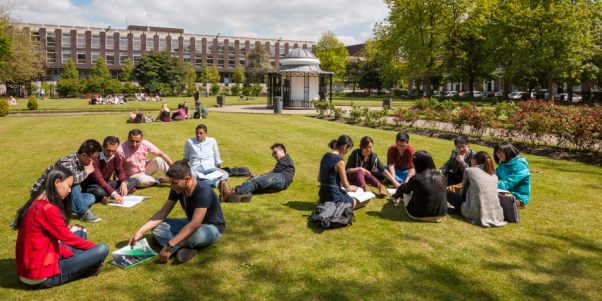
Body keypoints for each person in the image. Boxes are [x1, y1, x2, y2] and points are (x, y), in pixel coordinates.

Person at [14, 167, 110, 289]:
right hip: (42, 276)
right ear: (57, 182)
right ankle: (81, 269)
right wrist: (94, 249)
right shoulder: (48, 210)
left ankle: (81, 266)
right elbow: (69, 239)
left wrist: (70, 255)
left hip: (30, 270)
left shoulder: (34, 204)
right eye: (69, 186)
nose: (70, 191)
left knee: (80, 234)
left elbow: (47, 242)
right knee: (102, 249)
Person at [128, 161, 225, 264]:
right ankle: (180, 249)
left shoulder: (203, 191)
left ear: (187, 179)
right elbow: (162, 213)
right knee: (156, 226)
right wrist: (141, 231)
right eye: (170, 182)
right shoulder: (177, 189)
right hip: (191, 222)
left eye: (174, 182)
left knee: (191, 236)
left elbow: (196, 223)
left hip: (211, 228)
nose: (171, 186)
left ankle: (169, 241)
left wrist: (170, 244)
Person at [30, 140, 102, 223]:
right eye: (94, 158)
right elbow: (73, 179)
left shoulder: (81, 161)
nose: (95, 161)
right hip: (42, 194)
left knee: (90, 197)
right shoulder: (67, 162)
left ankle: (60, 209)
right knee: (72, 182)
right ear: (84, 155)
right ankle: (83, 212)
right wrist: (87, 172)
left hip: (60, 194)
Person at [446, 151, 507, 227]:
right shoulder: (494, 176)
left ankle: (458, 211)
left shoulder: (470, 171)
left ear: (474, 161)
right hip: (497, 216)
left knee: (449, 194)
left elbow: (463, 193)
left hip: (476, 214)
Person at [219, 143, 295, 203]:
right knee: (257, 187)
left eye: (274, 153)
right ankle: (245, 195)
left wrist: (267, 173)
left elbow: (277, 171)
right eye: (273, 154)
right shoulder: (287, 161)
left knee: (255, 181)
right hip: (281, 185)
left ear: (282, 151)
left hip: (280, 178)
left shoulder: (285, 158)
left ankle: (232, 192)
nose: (274, 155)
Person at [391, 150, 447, 222]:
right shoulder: (441, 176)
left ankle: (395, 198)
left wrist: (394, 196)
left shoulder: (416, 178)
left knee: (407, 191)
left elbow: (404, 189)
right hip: (440, 216)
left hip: (419, 215)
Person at [81, 136, 139, 205]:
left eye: (114, 151)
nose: (111, 153)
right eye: (108, 150)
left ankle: (106, 196)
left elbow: (120, 170)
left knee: (134, 181)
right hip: (92, 185)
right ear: (102, 147)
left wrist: (123, 182)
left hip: (106, 183)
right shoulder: (95, 158)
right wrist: (113, 193)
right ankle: (114, 194)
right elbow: (99, 179)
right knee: (99, 191)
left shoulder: (116, 155)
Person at [318, 135, 363, 209]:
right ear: (344, 147)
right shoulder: (339, 160)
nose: (347, 153)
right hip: (334, 198)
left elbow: (319, 179)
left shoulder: (325, 156)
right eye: (348, 150)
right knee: (365, 199)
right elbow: (346, 185)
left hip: (323, 197)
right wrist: (350, 187)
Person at [493, 141, 531, 208]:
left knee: (490, 196)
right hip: (506, 193)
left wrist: (488, 183)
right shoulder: (504, 163)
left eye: (501, 152)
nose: (498, 155)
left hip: (518, 198)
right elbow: (494, 175)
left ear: (508, 152)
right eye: (497, 153)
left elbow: (506, 184)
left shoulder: (520, 166)